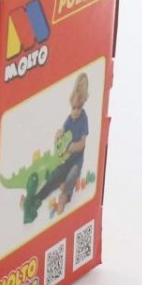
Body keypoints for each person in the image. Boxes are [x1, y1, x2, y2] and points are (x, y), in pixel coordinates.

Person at [27, 73, 90, 215]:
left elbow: (83, 143)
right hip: (66, 160)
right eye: (73, 108)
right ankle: (35, 199)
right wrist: (58, 134)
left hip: (76, 162)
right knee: (53, 178)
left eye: (78, 108)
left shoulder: (83, 118)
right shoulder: (69, 119)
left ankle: (64, 197)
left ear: (82, 106)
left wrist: (76, 146)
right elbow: (62, 131)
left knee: (71, 176)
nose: (75, 112)